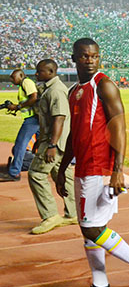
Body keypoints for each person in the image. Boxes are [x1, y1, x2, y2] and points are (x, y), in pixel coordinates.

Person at [56, 38, 129, 287]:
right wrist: (62, 167)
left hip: (99, 167)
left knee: (92, 228)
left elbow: (119, 128)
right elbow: (74, 135)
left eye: (94, 56)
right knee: (88, 227)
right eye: (84, 56)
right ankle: (100, 285)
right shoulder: (74, 91)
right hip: (83, 166)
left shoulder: (104, 85)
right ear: (74, 58)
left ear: (98, 58)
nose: (89, 60)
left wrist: (117, 170)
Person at [27, 59, 77, 234]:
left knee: (36, 174)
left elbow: (59, 118)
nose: (36, 74)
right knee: (62, 174)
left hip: (54, 142)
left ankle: (50, 215)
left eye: (40, 71)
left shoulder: (55, 91)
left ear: (50, 71)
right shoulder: (50, 88)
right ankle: (73, 213)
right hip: (56, 141)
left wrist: (52, 145)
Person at [0, 69, 40, 181]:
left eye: (13, 77)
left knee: (20, 145)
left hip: (32, 120)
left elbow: (34, 97)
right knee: (43, 145)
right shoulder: (24, 84)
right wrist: (15, 107)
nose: (11, 80)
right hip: (37, 119)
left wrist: (17, 107)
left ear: (21, 75)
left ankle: (14, 173)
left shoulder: (26, 82)